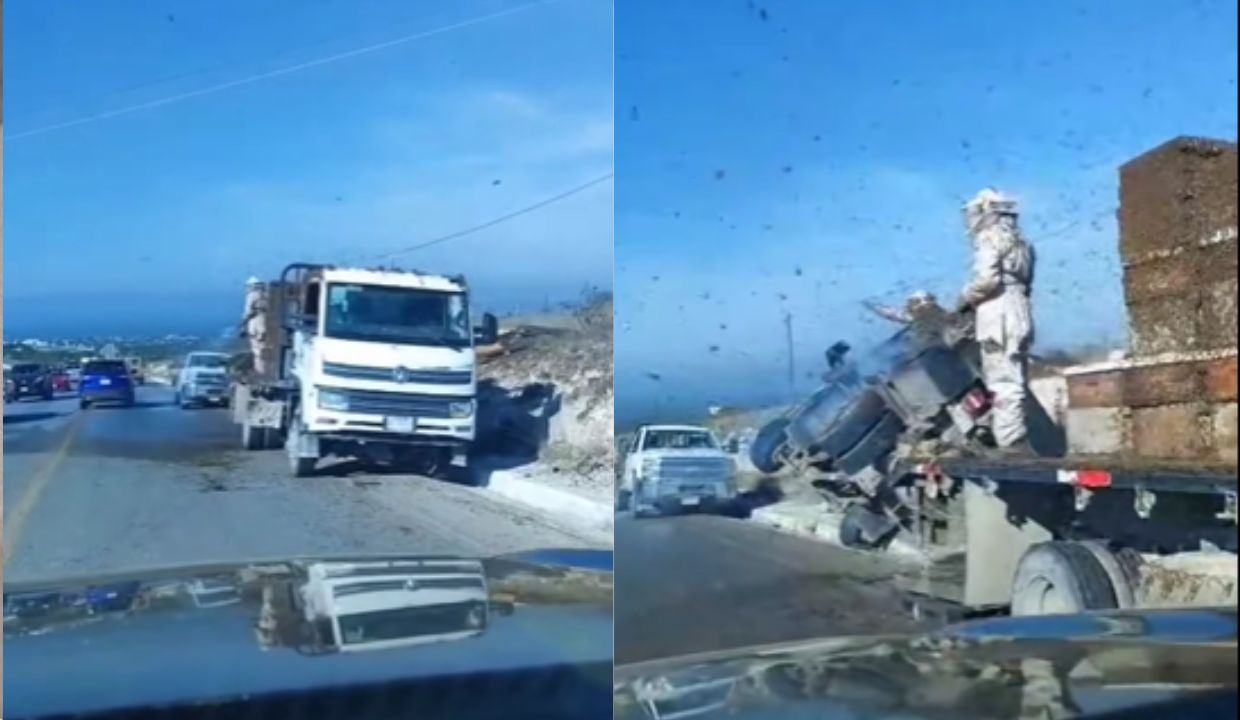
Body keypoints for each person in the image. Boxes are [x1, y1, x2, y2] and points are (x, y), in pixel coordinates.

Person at [956, 188, 1035, 452]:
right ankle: (1013, 435)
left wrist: (964, 297)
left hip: (997, 312)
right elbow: (1027, 283)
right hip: (1020, 308)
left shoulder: (989, 237)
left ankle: (1012, 442)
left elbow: (987, 281)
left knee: (1002, 380)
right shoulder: (1023, 243)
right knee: (1016, 376)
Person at [240, 277, 270, 376]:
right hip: (266, 323)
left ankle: (260, 372)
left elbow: (248, 311)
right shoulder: (267, 294)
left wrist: (243, 323)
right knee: (264, 348)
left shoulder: (252, 295)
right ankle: (265, 370)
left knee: (257, 350)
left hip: (255, 324)